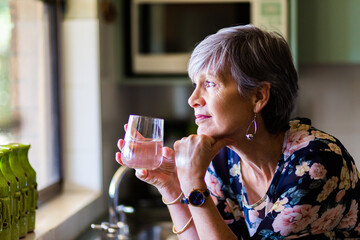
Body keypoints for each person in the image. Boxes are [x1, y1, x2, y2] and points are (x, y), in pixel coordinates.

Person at [115, 25, 360, 239]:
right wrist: (169, 184)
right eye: (195, 85)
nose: (193, 99)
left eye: (209, 84)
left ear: (258, 96)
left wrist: (192, 183)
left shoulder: (315, 163)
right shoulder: (224, 161)